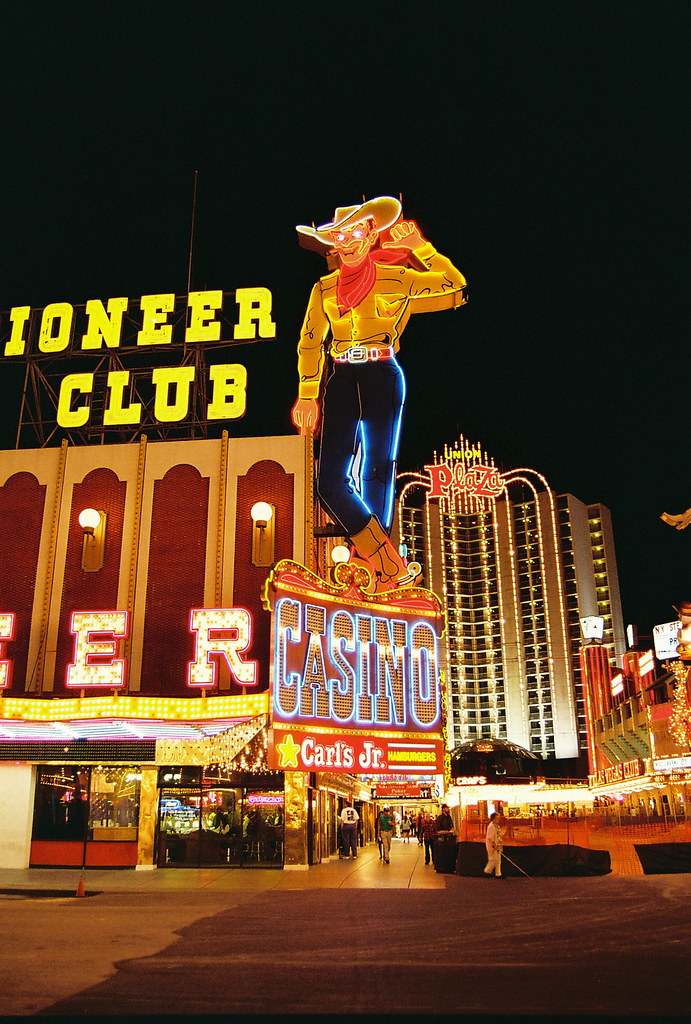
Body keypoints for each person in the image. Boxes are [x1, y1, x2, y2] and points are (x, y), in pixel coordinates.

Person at [291, 196, 467, 593]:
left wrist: (420, 248)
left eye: (355, 230)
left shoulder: (398, 279)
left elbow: (455, 285)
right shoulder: (323, 289)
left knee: (377, 469)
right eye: (338, 234)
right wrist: (306, 392)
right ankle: (387, 560)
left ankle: (377, 567)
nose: (347, 240)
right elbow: (309, 340)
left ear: (370, 234)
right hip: (340, 375)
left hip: (382, 373)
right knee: (331, 480)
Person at [484, 811, 506, 878]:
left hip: (497, 844)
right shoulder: (491, 826)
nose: (498, 820)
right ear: (493, 819)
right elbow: (490, 838)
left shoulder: (497, 826)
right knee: (493, 859)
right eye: (497, 818)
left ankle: (498, 873)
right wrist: (494, 845)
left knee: (498, 860)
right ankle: (487, 871)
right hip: (493, 846)